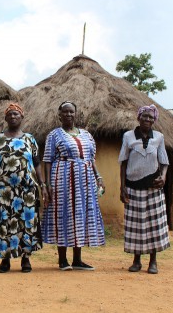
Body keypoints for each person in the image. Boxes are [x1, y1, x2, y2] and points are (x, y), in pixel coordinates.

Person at [42, 101, 105, 271]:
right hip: (62, 179)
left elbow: (91, 159)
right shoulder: (54, 135)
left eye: (71, 112)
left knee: (80, 216)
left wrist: (98, 177)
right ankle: (62, 260)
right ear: (59, 115)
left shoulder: (87, 135)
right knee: (63, 214)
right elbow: (47, 160)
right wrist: (47, 184)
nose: (69, 115)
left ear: (75, 114)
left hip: (85, 180)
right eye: (65, 112)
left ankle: (77, 259)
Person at [0, 103, 47, 273]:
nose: (13, 117)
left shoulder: (29, 138)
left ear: (22, 117)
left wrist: (42, 184)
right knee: (4, 223)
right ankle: (5, 259)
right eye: (10, 114)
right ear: (5, 118)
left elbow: (36, 164)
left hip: (26, 189)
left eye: (16, 114)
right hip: (3, 190)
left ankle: (25, 259)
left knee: (26, 223)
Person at [119, 104, 170, 274]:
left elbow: (164, 162)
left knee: (154, 224)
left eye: (151, 117)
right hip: (133, 187)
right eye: (144, 116)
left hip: (153, 187)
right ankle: (137, 260)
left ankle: (153, 261)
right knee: (136, 226)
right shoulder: (128, 137)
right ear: (138, 117)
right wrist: (122, 186)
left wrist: (163, 177)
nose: (147, 119)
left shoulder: (159, 137)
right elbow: (123, 162)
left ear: (154, 120)